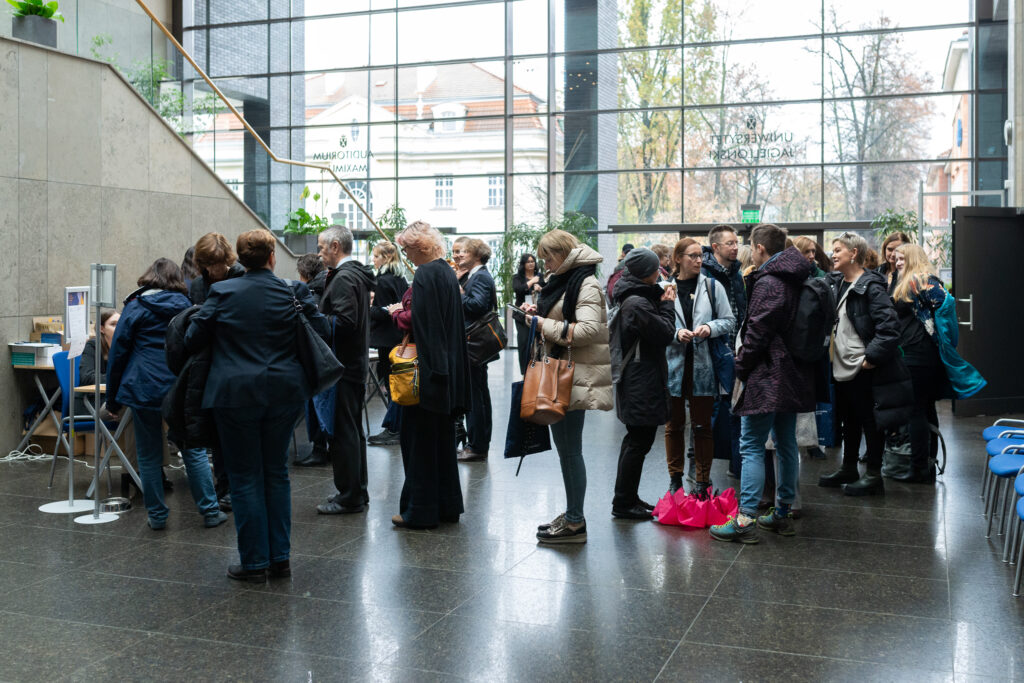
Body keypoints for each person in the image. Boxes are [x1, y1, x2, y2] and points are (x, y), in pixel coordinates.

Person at [185, 229, 328, 582]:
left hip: (234, 397)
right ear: (272, 257)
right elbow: (322, 330)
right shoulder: (292, 291)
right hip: (284, 394)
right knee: (277, 473)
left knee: (245, 477)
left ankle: (254, 562)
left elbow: (191, 339)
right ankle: (280, 559)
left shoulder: (221, 293)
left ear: (239, 259)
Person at [709, 225, 814, 544]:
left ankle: (745, 519)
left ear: (759, 248)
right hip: (793, 371)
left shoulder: (770, 280)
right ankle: (782, 514)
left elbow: (757, 329)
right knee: (785, 443)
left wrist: (741, 364)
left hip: (768, 372)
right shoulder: (798, 275)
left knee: (752, 443)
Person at [105, 258, 226, 531]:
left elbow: (118, 355)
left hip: (143, 388)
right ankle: (209, 511)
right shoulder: (185, 306)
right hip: (178, 386)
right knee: (192, 450)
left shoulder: (134, 308)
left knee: (148, 455)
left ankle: (157, 517)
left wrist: (113, 400)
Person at [524, 230, 612, 544]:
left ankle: (575, 522)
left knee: (570, 451)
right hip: (565, 373)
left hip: (570, 377)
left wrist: (541, 324)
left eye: (548, 257)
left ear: (563, 254)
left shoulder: (584, 282)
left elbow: (588, 329)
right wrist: (541, 316)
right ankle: (574, 514)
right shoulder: (570, 280)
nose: (545, 264)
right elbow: (570, 317)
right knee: (568, 450)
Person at [388, 221, 470, 529]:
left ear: (419, 247)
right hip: (445, 373)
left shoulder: (424, 275)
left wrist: (397, 314)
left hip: (427, 375)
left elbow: (420, 323)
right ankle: (447, 506)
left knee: (418, 445)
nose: (405, 254)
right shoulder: (446, 272)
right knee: (441, 445)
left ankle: (419, 511)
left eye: (407, 248)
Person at [818, 232, 909, 497]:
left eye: (838, 250)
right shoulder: (837, 282)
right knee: (848, 419)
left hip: (862, 365)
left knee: (869, 420)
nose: (833, 255)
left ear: (853, 253)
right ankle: (848, 467)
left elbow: (890, 328)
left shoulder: (870, 285)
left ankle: (873, 475)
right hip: (841, 363)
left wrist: (871, 358)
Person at [665, 238, 736, 496]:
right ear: (678, 259)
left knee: (702, 426)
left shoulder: (713, 287)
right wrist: (676, 333)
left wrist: (709, 328)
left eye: (700, 256)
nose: (698, 261)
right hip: (673, 366)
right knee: (673, 425)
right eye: (692, 256)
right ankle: (675, 479)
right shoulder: (665, 288)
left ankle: (703, 481)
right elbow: (658, 325)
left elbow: (729, 320)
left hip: (703, 366)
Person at [609, 248, 677, 519]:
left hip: (639, 377)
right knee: (638, 441)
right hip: (640, 380)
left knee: (636, 441)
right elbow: (665, 333)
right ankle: (623, 503)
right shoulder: (636, 303)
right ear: (648, 272)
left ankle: (627, 497)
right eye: (657, 268)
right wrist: (668, 303)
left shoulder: (634, 296)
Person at [316, 225, 375, 515]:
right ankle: (355, 491)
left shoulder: (343, 278)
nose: (319, 253)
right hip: (353, 364)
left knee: (344, 432)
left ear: (335, 246)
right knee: (351, 431)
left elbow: (345, 322)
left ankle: (350, 495)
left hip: (342, 366)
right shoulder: (356, 275)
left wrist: (314, 318)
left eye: (321, 247)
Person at [889, 244, 943, 483]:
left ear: (913, 259)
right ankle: (927, 463)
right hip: (921, 353)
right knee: (925, 408)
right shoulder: (915, 279)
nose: (897, 261)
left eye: (902, 258)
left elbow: (940, 310)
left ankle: (919, 467)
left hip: (917, 354)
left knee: (916, 410)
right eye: (896, 258)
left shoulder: (919, 280)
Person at [701, 224, 747, 479]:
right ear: (716, 246)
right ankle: (702, 467)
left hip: (735, 347)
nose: (735, 247)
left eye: (736, 242)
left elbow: (741, 309)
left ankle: (734, 462)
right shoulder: (706, 274)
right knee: (714, 407)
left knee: (733, 405)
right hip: (713, 347)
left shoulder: (735, 273)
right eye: (730, 243)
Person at [458, 238, 498, 463]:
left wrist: (460, 293)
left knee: (476, 396)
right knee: (478, 394)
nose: (460, 255)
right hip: (474, 344)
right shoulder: (474, 275)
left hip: (474, 344)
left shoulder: (481, 276)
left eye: (465, 252)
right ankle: (476, 444)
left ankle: (477, 446)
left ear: (477, 255)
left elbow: (477, 305)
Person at [367, 241, 409, 446]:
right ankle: (398, 426)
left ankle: (393, 428)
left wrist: (368, 307)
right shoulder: (400, 278)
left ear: (386, 258)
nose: (372, 260)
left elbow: (382, 312)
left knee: (392, 384)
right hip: (399, 336)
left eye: (375, 256)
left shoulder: (382, 281)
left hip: (386, 338)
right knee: (397, 383)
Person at [292, 253, 330, 468]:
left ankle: (319, 449)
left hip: (315, 357)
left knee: (315, 404)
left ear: (304, 274)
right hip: (330, 357)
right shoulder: (330, 284)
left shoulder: (310, 293)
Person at [74, 309, 119, 417]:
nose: (119, 328)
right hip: (89, 403)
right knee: (134, 407)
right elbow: (86, 377)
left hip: (113, 399)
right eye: (113, 324)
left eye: (121, 324)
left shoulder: (123, 347)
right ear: (102, 329)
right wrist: (118, 379)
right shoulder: (92, 346)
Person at [189, 232, 245, 305]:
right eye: (209, 263)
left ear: (226, 259)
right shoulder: (198, 285)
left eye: (219, 262)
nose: (216, 268)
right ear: (202, 263)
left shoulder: (240, 277)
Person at [512, 253, 545, 374]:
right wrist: (532, 282)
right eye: (528, 262)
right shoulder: (517, 277)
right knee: (524, 342)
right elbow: (518, 289)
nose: (531, 263)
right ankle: (524, 372)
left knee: (539, 342)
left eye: (533, 261)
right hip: (522, 315)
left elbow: (547, 291)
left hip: (537, 315)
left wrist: (540, 288)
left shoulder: (541, 276)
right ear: (523, 264)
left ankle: (538, 370)